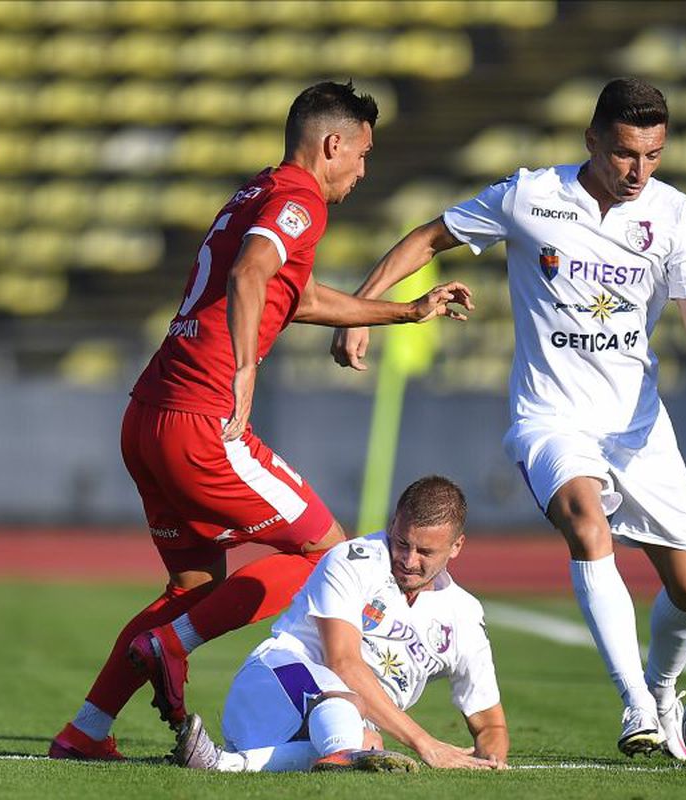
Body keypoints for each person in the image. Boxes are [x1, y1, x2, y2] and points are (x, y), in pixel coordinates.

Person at [331, 78, 686, 759]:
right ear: (592, 139)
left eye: (654, 155)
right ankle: (634, 709)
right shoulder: (530, 196)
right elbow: (430, 237)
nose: (639, 171)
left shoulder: (672, 214)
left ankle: (660, 689)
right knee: (586, 521)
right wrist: (361, 310)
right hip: (551, 418)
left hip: (637, 428)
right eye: (626, 153)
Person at [50, 81, 473, 761]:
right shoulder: (301, 197)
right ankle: (172, 648)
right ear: (332, 144)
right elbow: (252, 274)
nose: (363, 170)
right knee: (330, 558)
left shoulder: (258, 190)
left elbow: (292, 293)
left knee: (193, 587)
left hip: (148, 416)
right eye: (362, 154)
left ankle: (86, 731)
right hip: (202, 419)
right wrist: (246, 370)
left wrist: (403, 310)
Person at [171, 475, 508, 773]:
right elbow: (342, 662)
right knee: (348, 707)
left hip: (338, 731)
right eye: (403, 543)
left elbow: (490, 724)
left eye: (425, 552)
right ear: (393, 525)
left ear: (456, 547)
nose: (408, 560)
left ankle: (223, 763)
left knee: (369, 745)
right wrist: (425, 743)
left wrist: (489, 761)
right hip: (273, 685)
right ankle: (343, 751)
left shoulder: (464, 614)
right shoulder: (352, 560)